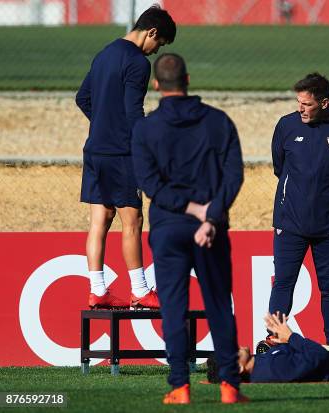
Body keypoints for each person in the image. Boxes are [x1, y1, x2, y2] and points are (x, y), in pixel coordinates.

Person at [131, 53, 248, 405]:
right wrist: (210, 216)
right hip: (210, 228)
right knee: (218, 305)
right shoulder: (218, 122)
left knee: (174, 309)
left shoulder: (146, 128)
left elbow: (150, 183)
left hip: (168, 227)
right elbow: (234, 175)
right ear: (188, 79)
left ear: (156, 85)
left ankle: (180, 386)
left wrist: (191, 209)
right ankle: (229, 384)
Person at [75, 5, 176, 309]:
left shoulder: (104, 53)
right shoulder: (137, 62)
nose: (155, 51)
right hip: (121, 153)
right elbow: (134, 113)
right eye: (159, 44)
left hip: (94, 149)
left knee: (99, 220)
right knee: (132, 221)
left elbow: (83, 98)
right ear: (152, 32)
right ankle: (141, 290)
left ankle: (97, 290)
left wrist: (104, 121)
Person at [268, 73, 329, 345]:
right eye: (298, 102)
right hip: (290, 223)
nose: (300, 108)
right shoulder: (287, 125)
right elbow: (280, 167)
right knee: (284, 283)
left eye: (307, 104)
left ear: (324, 103)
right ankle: (275, 339)